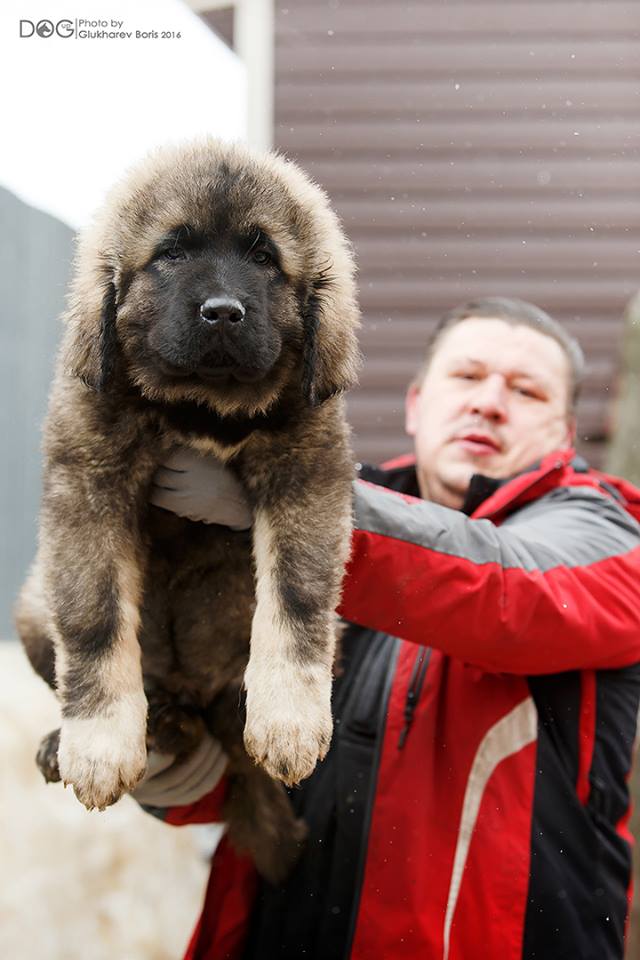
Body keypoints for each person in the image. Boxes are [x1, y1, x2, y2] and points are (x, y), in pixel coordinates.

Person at [136, 297, 640, 960]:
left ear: (566, 431)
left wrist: (293, 508)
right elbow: (251, 775)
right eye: (466, 377)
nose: (490, 403)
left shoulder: (608, 536)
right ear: (415, 403)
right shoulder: (314, 527)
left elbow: (511, 589)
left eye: (526, 390)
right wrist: (169, 768)